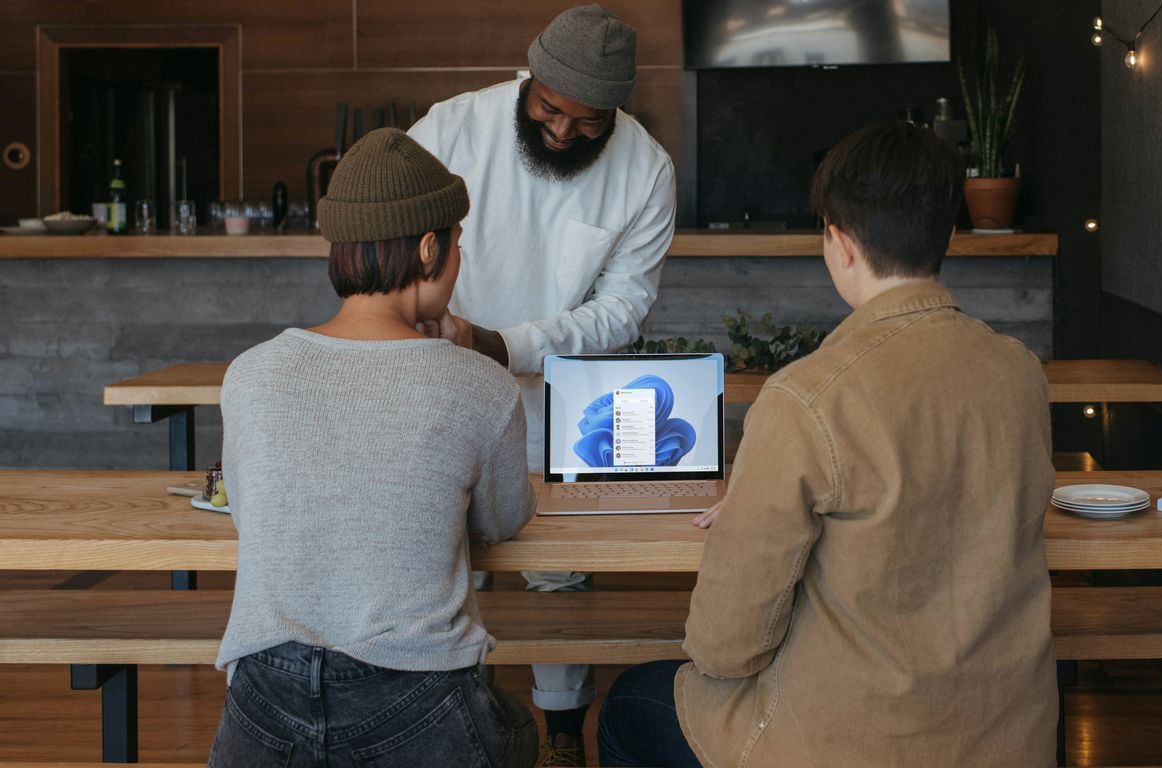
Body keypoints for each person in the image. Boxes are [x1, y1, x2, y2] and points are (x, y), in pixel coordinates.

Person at [596, 121, 1058, 767]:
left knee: (628, 705)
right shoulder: (1018, 371)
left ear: (838, 242)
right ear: (949, 233)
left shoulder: (808, 396)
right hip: (1007, 737)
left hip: (855, 743)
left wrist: (760, 507)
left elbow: (728, 646)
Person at [208, 127, 539, 768]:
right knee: (519, 730)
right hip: (416, 702)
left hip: (262, 704)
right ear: (427, 247)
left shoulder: (250, 372)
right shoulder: (481, 384)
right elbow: (501, 522)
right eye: (456, 245)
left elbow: (252, 513)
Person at [408, 5, 675, 764]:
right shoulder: (451, 129)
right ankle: (458, 728)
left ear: (616, 111)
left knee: (558, 574)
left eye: (587, 124)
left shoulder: (646, 169)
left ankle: (562, 735)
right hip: (438, 385)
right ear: (530, 77)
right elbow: (390, 240)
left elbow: (622, 308)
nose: (562, 131)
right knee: (443, 561)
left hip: (558, 398)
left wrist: (503, 343)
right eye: (550, 110)